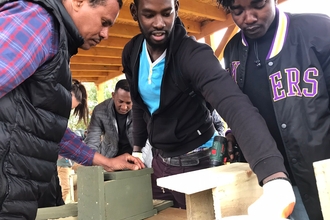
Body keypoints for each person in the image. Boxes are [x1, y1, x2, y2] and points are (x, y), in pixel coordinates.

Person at [122, 0, 294, 217]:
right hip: (159, 162)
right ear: (135, 12)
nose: (159, 23)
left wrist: (273, 176)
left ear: (176, 9)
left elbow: (233, 104)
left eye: (167, 13)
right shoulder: (132, 52)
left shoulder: (193, 55)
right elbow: (139, 104)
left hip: (197, 164)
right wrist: (137, 150)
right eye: (149, 15)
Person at [0, 0, 144, 219]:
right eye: (104, 22)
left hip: (16, 195)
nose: (105, 34)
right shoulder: (39, 22)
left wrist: (107, 162)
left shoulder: (56, 42)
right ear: (78, 2)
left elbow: (48, 127)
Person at [216, 1, 330, 219]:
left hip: (319, 178)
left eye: (258, 5)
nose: (248, 18)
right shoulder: (232, 50)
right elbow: (243, 107)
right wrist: (234, 133)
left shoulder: (319, 31)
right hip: (266, 182)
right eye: (237, 11)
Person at [85, 79, 134, 158]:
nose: (124, 107)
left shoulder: (141, 111)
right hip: (109, 156)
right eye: (120, 102)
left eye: (128, 103)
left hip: (136, 156)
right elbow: (92, 139)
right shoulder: (99, 110)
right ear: (113, 96)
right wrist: (92, 160)